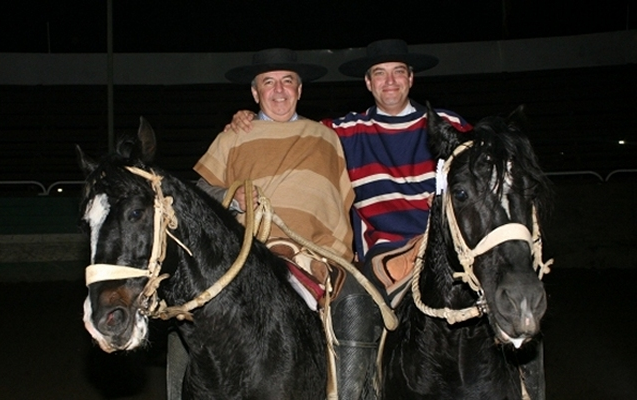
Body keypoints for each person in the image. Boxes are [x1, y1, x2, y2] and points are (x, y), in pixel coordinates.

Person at [225, 39, 472, 400]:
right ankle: (360, 390)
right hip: (384, 252)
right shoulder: (341, 131)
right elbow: (288, 128)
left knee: (511, 293)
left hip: (442, 244)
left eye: (398, 73)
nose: (390, 82)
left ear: (411, 79)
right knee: (359, 306)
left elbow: (486, 175)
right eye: (379, 75)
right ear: (368, 84)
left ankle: (527, 386)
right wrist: (244, 117)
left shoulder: (449, 125)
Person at [168, 48, 356, 400]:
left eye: (288, 81)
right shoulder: (232, 136)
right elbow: (199, 195)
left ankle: (350, 390)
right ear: (255, 93)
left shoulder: (325, 138)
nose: (279, 90)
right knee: (188, 319)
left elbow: (338, 200)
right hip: (243, 256)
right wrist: (232, 194)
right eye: (268, 82)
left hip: (313, 254)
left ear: (300, 90)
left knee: (357, 307)